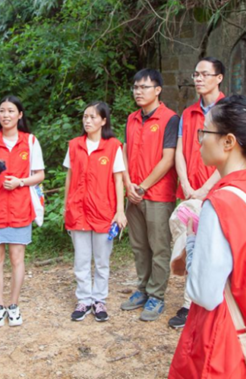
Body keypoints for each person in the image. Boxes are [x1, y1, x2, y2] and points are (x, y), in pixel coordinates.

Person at [169, 95, 246, 378]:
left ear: (228, 142)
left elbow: (204, 293)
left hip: (225, 339)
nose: (199, 141)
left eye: (204, 132)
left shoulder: (220, 204)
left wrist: (192, 241)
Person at [0, 96, 45, 327]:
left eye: (11, 111)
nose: (6, 115)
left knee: (17, 258)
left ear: (20, 115)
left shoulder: (30, 141)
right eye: (2, 111)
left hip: (19, 209)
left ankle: (13, 305)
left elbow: (40, 175)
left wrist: (20, 182)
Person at [170, 57, 225, 329]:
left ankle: (214, 300)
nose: (199, 79)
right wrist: (186, 185)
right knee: (189, 244)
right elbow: (180, 151)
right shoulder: (188, 113)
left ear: (219, 78)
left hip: (218, 192)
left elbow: (231, 154)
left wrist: (204, 189)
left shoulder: (229, 110)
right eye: (196, 74)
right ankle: (189, 302)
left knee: (213, 247)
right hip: (190, 192)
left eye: (205, 74)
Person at [122, 68, 179, 321]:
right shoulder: (132, 118)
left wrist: (142, 187)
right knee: (139, 246)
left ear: (158, 90)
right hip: (133, 192)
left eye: (144, 87)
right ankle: (143, 289)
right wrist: (128, 185)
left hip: (158, 195)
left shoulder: (170, 119)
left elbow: (168, 159)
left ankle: (157, 295)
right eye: (135, 87)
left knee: (159, 247)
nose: (138, 92)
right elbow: (124, 153)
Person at [63, 102, 126, 322]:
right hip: (78, 210)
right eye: (85, 117)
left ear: (103, 121)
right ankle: (84, 300)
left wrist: (120, 211)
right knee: (81, 260)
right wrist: (67, 206)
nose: (87, 121)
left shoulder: (113, 146)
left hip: (104, 211)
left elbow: (118, 180)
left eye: (92, 117)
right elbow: (69, 177)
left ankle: (99, 300)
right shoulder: (74, 145)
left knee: (102, 260)